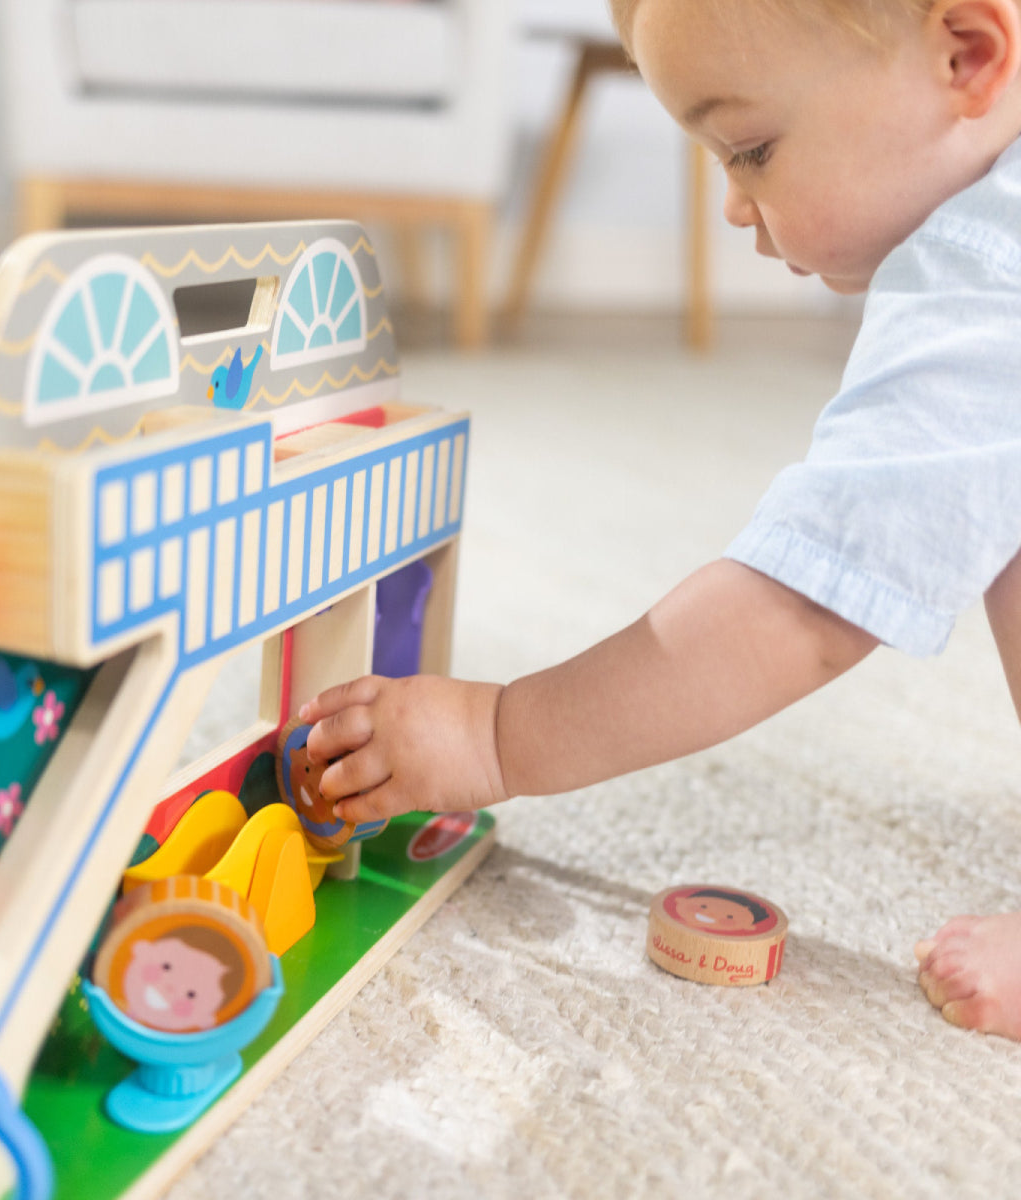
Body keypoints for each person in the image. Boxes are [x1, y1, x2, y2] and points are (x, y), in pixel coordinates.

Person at [299, 0, 1021, 1040]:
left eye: (753, 150)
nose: (734, 206)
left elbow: (804, 607)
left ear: (967, 53)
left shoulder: (987, 272)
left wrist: (498, 734)